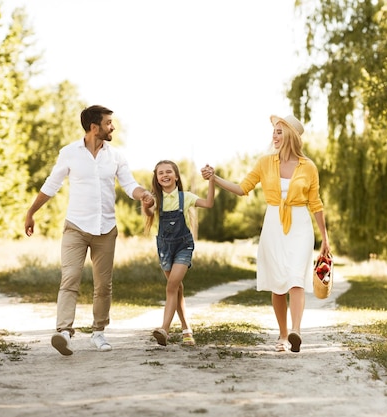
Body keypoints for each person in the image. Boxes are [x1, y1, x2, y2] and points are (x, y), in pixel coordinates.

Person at [24, 105, 154, 356]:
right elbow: (52, 184)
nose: (112, 127)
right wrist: (31, 212)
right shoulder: (69, 153)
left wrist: (144, 195)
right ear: (94, 127)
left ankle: (98, 332)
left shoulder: (116, 156)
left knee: (103, 285)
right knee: (70, 278)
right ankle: (63, 332)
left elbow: (129, 184)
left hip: (106, 228)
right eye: (108, 123)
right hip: (76, 226)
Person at [201, 114, 331, 353]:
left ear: (291, 135)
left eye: (280, 131)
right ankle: (282, 335)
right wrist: (215, 178)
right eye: (274, 131)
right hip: (273, 224)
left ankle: (296, 331)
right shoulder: (265, 162)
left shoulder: (308, 167)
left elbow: (316, 203)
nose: (275, 135)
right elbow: (242, 188)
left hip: (300, 224)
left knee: (295, 278)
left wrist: (325, 237)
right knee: (277, 283)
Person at [142, 160, 215, 347]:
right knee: (177, 288)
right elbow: (149, 214)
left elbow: (208, 203)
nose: (165, 175)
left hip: (183, 246)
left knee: (171, 286)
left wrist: (212, 180)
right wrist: (145, 204)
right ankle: (186, 329)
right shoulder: (156, 198)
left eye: (168, 172)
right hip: (165, 248)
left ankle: (164, 330)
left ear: (176, 176)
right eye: (160, 173)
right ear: (157, 179)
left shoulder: (186, 196)